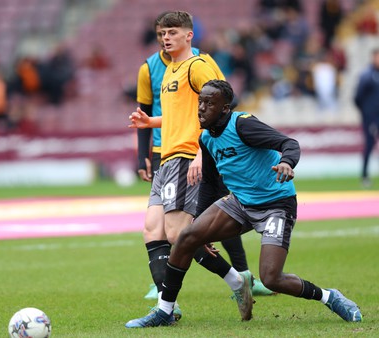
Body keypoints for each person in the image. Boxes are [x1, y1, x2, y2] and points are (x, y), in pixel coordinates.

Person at [125, 80, 363, 327]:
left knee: (271, 278)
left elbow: (289, 143)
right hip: (239, 203)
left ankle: (329, 296)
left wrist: (287, 163)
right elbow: (209, 183)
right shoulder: (206, 138)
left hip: (276, 204)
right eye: (200, 102)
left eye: (209, 103)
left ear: (225, 109)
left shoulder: (242, 124)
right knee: (187, 237)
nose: (201, 108)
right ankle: (165, 311)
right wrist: (199, 223)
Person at [136, 12, 273, 304]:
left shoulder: (197, 66)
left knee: (178, 233)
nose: (166, 38)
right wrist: (151, 123)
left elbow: (221, 106)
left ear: (189, 35)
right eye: (162, 34)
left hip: (186, 155)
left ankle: (235, 282)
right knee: (152, 229)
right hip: (166, 158)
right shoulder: (169, 70)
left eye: (172, 33)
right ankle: (170, 302)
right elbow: (179, 115)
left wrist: (202, 151)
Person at [354, 47, 379, 188]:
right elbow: (357, 97)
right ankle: (364, 176)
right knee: (369, 146)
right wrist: (367, 112)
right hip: (370, 118)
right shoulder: (367, 75)